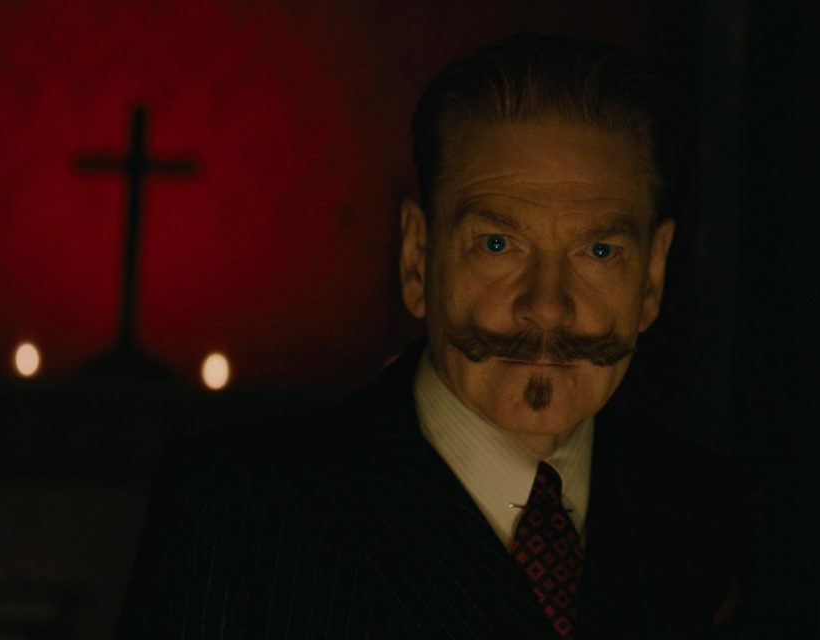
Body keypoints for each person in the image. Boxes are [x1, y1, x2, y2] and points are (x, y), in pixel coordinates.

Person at [116, 34, 744, 639]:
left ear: (652, 278)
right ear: (418, 259)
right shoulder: (242, 514)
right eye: (497, 244)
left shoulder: (700, 512)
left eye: (599, 251)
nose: (547, 307)